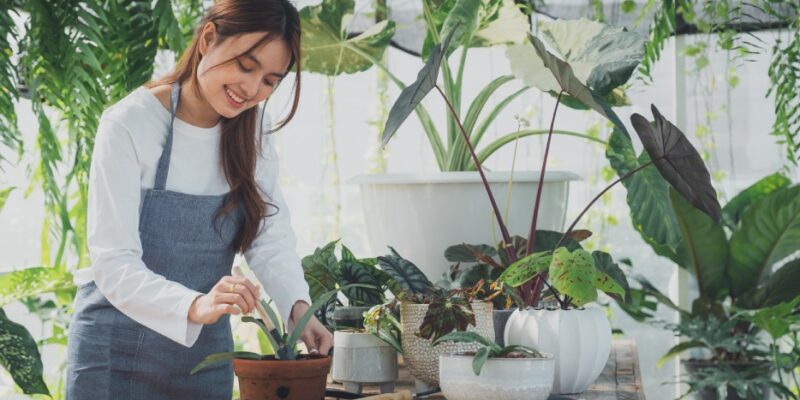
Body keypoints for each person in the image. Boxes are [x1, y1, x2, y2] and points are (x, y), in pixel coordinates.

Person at [65, 1, 331, 398]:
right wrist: (194, 305)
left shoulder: (253, 128)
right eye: (246, 66)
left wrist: (297, 306)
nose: (252, 89)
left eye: (269, 80)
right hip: (113, 349)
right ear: (208, 39)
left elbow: (267, 232)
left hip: (202, 355)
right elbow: (113, 261)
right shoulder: (129, 123)